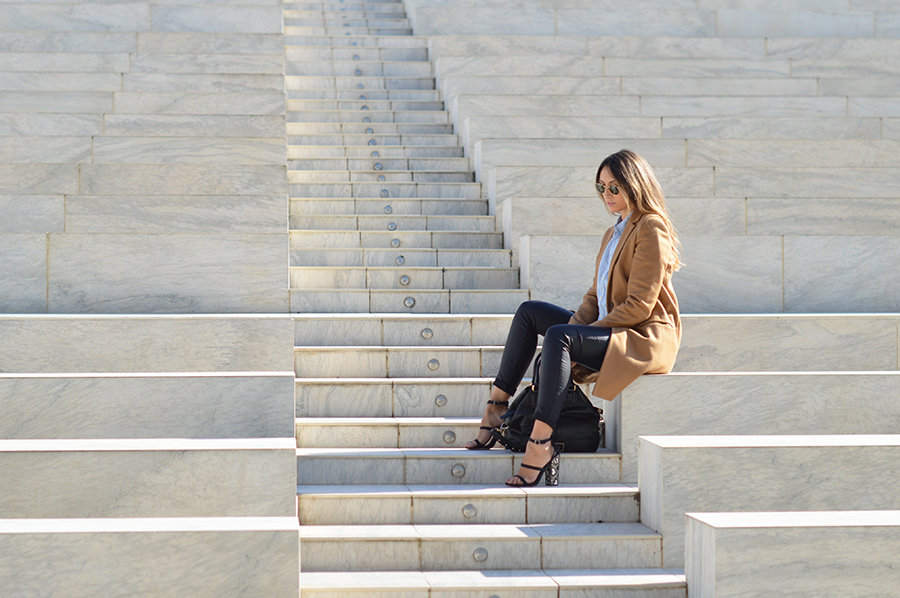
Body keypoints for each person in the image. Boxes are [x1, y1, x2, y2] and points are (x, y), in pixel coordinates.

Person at [465, 149, 682, 487]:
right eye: (601, 188)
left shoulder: (650, 227)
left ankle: (540, 444)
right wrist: (578, 330)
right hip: (612, 326)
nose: (607, 195)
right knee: (531, 313)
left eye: (614, 187)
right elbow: (595, 298)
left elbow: (640, 306)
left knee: (560, 337)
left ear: (634, 184)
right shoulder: (613, 234)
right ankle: (496, 406)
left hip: (641, 335)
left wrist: (580, 337)